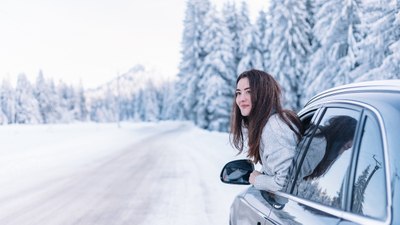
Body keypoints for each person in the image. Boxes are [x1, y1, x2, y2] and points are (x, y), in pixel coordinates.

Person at [230, 69, 303, 192]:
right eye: (238, 93)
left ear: (264, 94)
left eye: (249, 92)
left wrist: (257, 180)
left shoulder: (274, 127)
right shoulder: (272, 123)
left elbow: (286, 182)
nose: (241, 99)